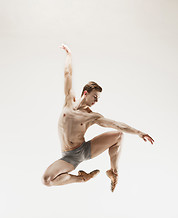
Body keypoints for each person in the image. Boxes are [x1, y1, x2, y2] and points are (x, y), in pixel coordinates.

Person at [42, 44, 154, 192]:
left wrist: (139, 133)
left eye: (98, 98)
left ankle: (113, 172)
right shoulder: (69, 101)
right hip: (68, 157)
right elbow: (67, 74)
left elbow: (116, 125)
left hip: (82, 151)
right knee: (47, 180)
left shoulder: (92, 116)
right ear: (85, 93)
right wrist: (69, 55)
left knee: (118, 135)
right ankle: (82, 178)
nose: (96, 101)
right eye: (95, 96)